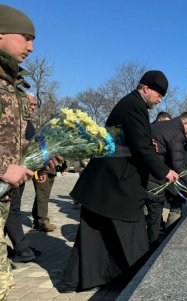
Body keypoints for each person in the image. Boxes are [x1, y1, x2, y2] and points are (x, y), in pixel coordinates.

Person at [61, 71, 178, 292]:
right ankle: (140, 284)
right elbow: (140, 147)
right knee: (132, 236)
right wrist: (165, 171)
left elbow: (136, 141)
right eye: (159, 93)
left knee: (93, 234)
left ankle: (76, 280)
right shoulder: (134, 106)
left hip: (107, 183)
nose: (161, 98)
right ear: (146, 88)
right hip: (116, 185)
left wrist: (147, 144)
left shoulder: (132, 104)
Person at [0, 5, 62, 298]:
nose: (32, 47)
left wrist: (43, 154)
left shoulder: (11, 84)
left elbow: (11, 139)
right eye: (26, 37)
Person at [146, 112, 187, 248]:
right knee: (155, 214)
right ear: (185, 123)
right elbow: (178, 163)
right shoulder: (177, 134)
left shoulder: (158, 127)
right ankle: (151, 250)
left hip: (143, 175)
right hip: (154, 179)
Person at [5, 93, 38, 262]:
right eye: (30, 104)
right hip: (7, 173)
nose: (32, 107)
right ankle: (21, 248)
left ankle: (19, 247)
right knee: (11, 210)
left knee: (12, 209)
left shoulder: (27, 122)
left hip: (20, 173)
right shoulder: (12, 118)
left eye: (34, 105)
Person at [32, 167, 57, 232]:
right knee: (42, 195)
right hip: (42, 170)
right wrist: (40, 171)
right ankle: (43, 222)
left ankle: (37, 222)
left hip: (51, 170)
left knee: (41, 195)